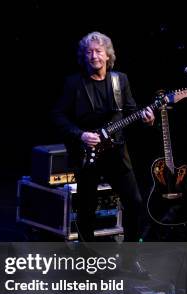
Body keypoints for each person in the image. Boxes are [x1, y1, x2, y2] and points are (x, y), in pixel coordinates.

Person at [52, 31, 154, 242]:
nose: (94, 56)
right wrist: (81, 135)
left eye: (98, 51)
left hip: (116, 152)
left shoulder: (120, 80)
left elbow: (131, 110)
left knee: (134, 202)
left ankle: (130, 255)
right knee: (86, 208)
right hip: (87, 153)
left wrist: (147, 118)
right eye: (89, 52)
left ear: (108, 55)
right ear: (84, 57)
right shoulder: (74, 83)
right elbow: (58, 115)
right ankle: (86, 258)